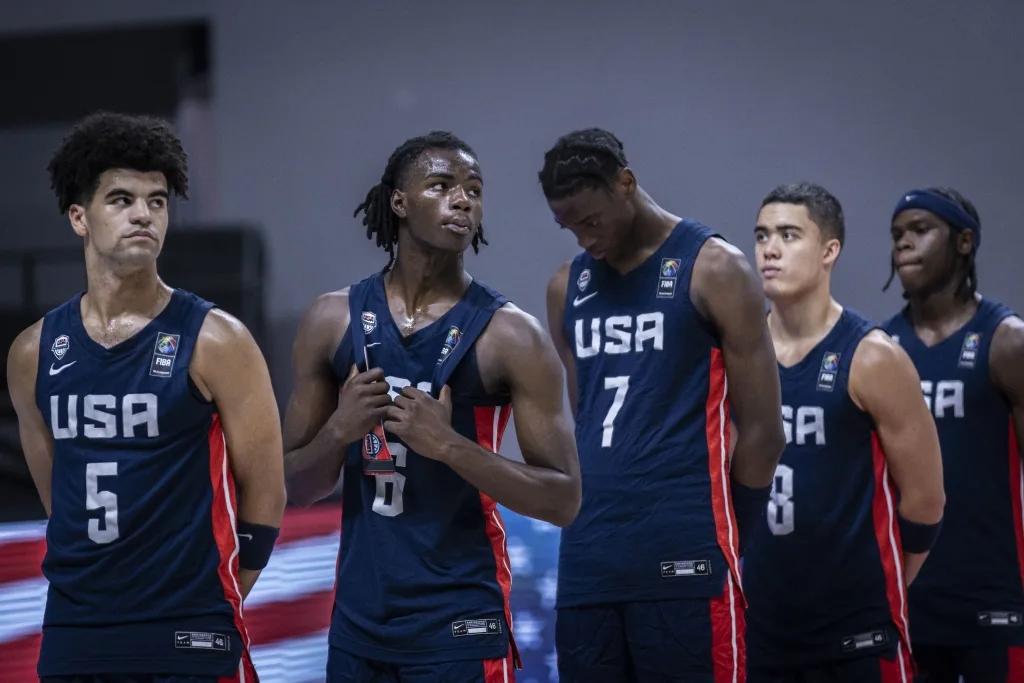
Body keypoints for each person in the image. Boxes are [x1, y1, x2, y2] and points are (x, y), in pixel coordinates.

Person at [282, 131, 581, 683]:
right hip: (360, 626)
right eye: (442, 186)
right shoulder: (331, 319)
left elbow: (563, 500)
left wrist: (449, 447)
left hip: (461, 622)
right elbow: (293, 487)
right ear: (399, 202)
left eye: (474, 189)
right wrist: (339, 432)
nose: (462, 200)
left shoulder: (512, 335)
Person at [6, 111, 286, 682]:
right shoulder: (33, 351)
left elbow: (267, 491)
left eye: (157, 201)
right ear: (79, 217)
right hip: (76, 630)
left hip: (190, 625)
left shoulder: (217, 339)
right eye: (121, 199)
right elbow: (59, 496)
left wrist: (222, 591)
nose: (143, 214)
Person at [540, 128, 785, 682]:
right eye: (568, 227)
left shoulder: (715, 269)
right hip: (589, 561)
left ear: (625, 183)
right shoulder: (565, 288)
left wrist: (728, 534)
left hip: (686, 555)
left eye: (592, 220)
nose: (584, 239)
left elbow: (764, 433)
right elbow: (587, 420)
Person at [743, 182, 945, 682]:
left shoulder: (873, 356)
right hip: (760, 627)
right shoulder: (738, 354)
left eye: (789, 235)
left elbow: (926, 502)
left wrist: (881, 587)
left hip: (856, 635)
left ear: (829, 251)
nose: (770, 249)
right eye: (762, 235)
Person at [883, 187, 1024, 681]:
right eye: (897, 234)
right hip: (909, 600)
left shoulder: (1006, 342)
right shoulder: (881, 349)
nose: (904, 243)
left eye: (920, 230)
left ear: (964, 242)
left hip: (993, 599)